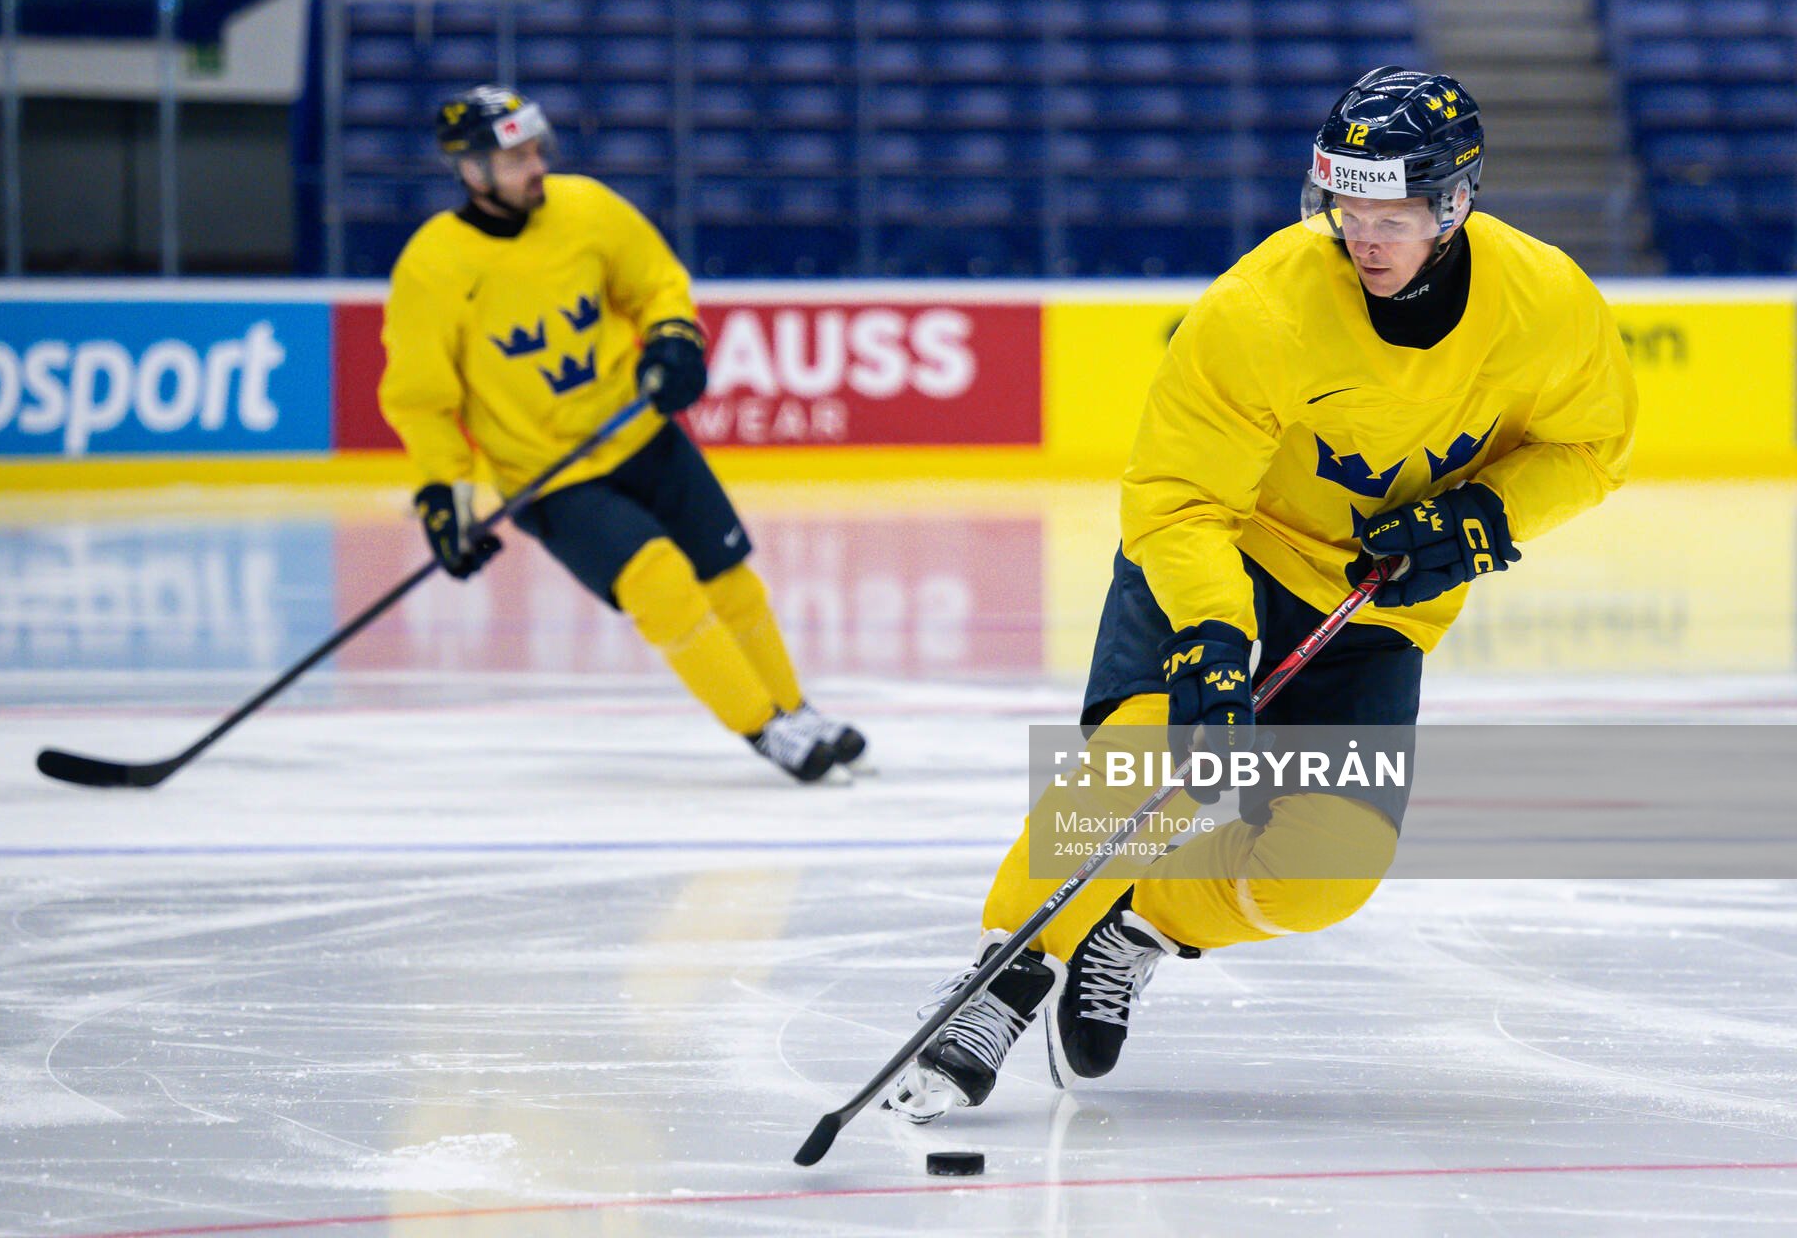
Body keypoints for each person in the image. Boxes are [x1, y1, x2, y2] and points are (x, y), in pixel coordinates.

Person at [888, 67, 1637, 1119]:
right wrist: (1207, 631)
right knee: (1142, 770)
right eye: (1346, 207)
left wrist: (1482, 520)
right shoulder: (1262, 305)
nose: (1364, 236)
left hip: (1374, 619)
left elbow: (1593, 447)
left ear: (1454, 204)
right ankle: (998, 983)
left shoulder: (1547, 304)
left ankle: (1139, 926)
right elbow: (1177, 496)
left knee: (1325, 872)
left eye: (1392, 214)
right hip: (1222, 566)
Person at [377, 84, 865, 783]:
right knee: (659, 583)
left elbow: (655, 282)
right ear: (472, 170)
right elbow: (422, 401)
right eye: (515, 158)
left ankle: (796, 708)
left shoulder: (586, 208)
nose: (536, 165)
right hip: (554, 476)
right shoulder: (432, 267)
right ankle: (765, 728)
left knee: (732, 585)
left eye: (536, 148)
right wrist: (443, 499)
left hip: (639, 435)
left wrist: (672, 340)